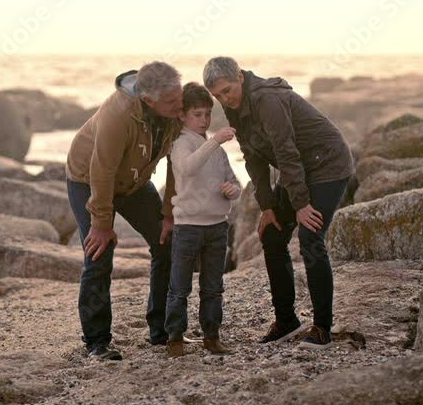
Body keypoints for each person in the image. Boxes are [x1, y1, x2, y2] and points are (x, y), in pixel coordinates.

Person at [203, 56, 354, 350]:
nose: (224, 99)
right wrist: (268, 206)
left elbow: (286, 152)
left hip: (328, 165)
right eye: (217, 95)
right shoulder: (234, 105)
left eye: (227, 90)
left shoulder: (267, 100)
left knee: (311, 237)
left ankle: (322, 328)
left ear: (240, 77)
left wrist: (300, 205)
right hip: (298, 169)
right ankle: (286, 321)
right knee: (271, 235)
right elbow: (253, 157)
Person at [66, 61, 184, 360]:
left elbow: (177, 163)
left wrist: (169, 212)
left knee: (166, 242)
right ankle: (97, 342)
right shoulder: (117, 114)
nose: (179, 105)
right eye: (171, 102)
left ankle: (162, 331)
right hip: (87, 179)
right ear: (147, 100)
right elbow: (101, 171)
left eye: (179, 97)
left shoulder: (173, 108)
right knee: (98, 253)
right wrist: (101, 223)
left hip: (133, 181)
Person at [164, 83, 241, 358]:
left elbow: (234, 182)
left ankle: (212, 336)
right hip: (188, 227)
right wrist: (215, 140)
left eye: (207, 114)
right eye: (197, 114)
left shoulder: (217, 151)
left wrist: (233, 191)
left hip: (217, 226)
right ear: (182, 116)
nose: (204, 120)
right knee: (180, 288)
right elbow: (188, 167)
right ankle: (174, 339)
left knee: (213, 287)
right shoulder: (180, 144)